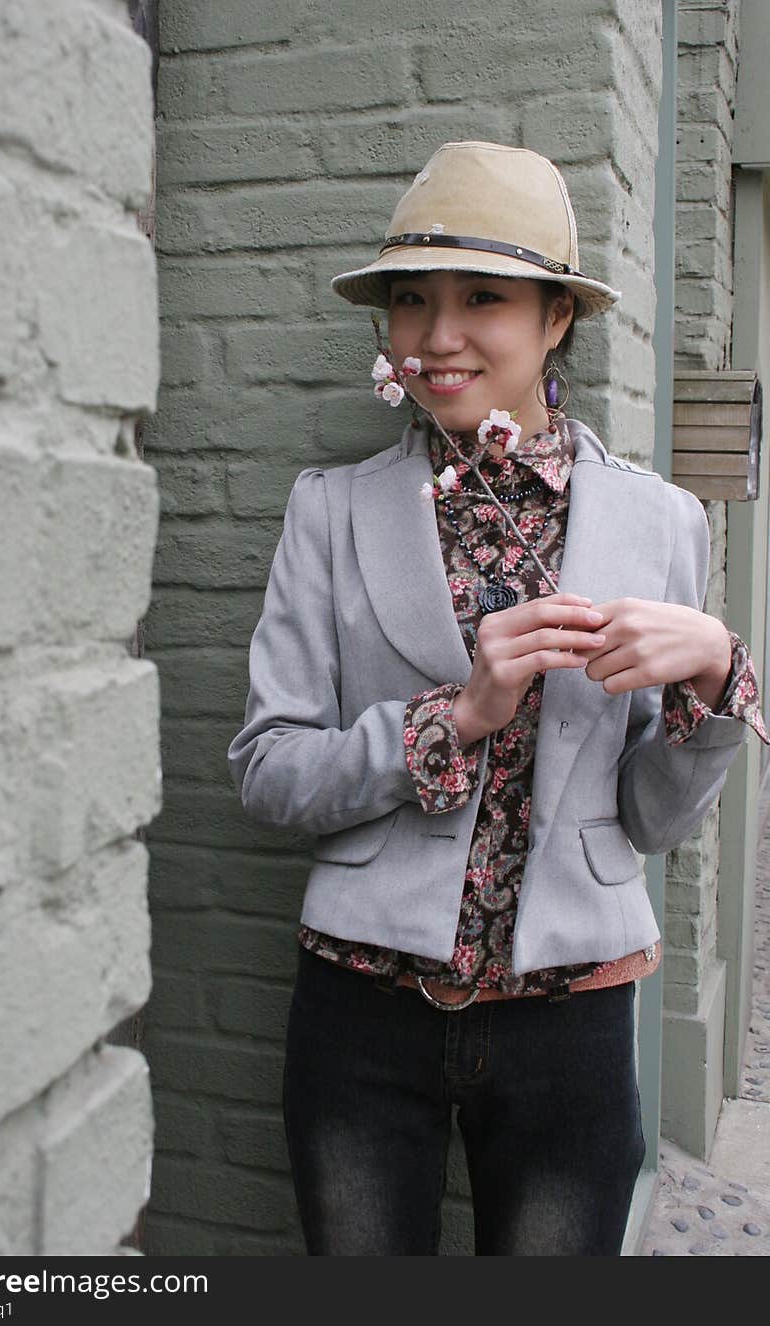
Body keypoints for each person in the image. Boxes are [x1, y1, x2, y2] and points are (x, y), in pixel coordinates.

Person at [227, 140, 769, 1256]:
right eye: (409, 302)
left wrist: (713, 675)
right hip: (363, 1009)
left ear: (557, 319)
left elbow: (654, 820)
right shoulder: (330, 511)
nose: (436, 336)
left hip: (570, 1018)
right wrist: (452, 718)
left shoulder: (660, 523)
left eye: (483, 297)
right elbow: (268, 770)